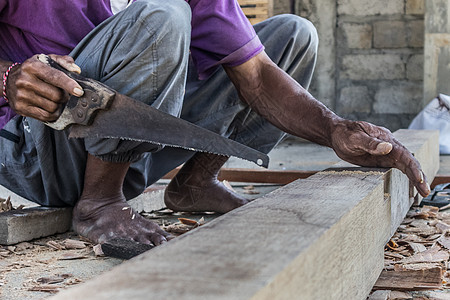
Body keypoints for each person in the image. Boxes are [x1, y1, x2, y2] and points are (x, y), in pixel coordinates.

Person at [0, 0, 430, 246]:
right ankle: (99, 203)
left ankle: (195, 184)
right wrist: (8, 77)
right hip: (40, 148)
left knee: (292, 36)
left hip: (133, 149)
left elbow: (258, 77)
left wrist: (334, 128)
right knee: (163, 15)